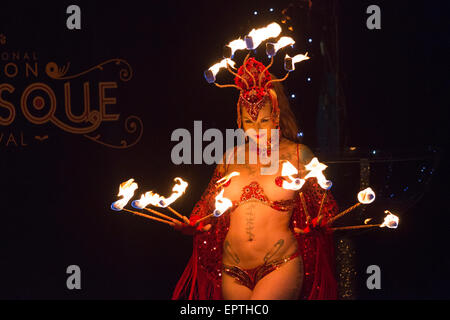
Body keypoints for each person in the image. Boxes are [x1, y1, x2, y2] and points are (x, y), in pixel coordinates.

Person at [172, 55, 339, 300]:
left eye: (263, 120)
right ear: (239, 120)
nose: (257, 129)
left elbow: (329, 208)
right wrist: (194, 222)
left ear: (276, 116)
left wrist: (321, 223)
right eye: (249, 121)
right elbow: (206, 205)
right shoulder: (229, 159)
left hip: (280, 265)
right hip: (232, 270)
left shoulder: (297, 155)